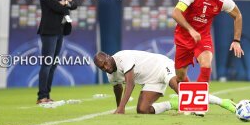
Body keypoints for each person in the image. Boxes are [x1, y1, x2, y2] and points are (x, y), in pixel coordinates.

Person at [93, 50, 236, 114]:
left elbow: (130, 84)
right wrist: (119, 107)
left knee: (184, 94)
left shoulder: (123, 57)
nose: (105, 68)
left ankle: (223, 102)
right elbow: (117, 89)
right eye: (102, 67)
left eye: (105, 63)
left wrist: (122, 108)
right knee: (142, 110)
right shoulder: (110, 74)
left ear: (108, 57)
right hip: (151, 81)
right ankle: (172, 104)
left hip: (162, 66)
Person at [172, 0, 244, 85]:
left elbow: (238, 16)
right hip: (183, 37)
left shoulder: (222, 1)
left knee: (206, 65)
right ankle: (188, 95)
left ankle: (199, 100)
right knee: (180, 77)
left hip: (202, 37)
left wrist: (236, 40)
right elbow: (176, 13)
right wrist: (191, 30)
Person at [36, 0, 77, 104]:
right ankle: (42, 96)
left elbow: (74, 4)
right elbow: (56, 7)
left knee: (53, 65)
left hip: (59, 30)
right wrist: (66, 3)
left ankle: (47, 95)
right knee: (47, 63)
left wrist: (66, 3)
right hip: (49, 31)